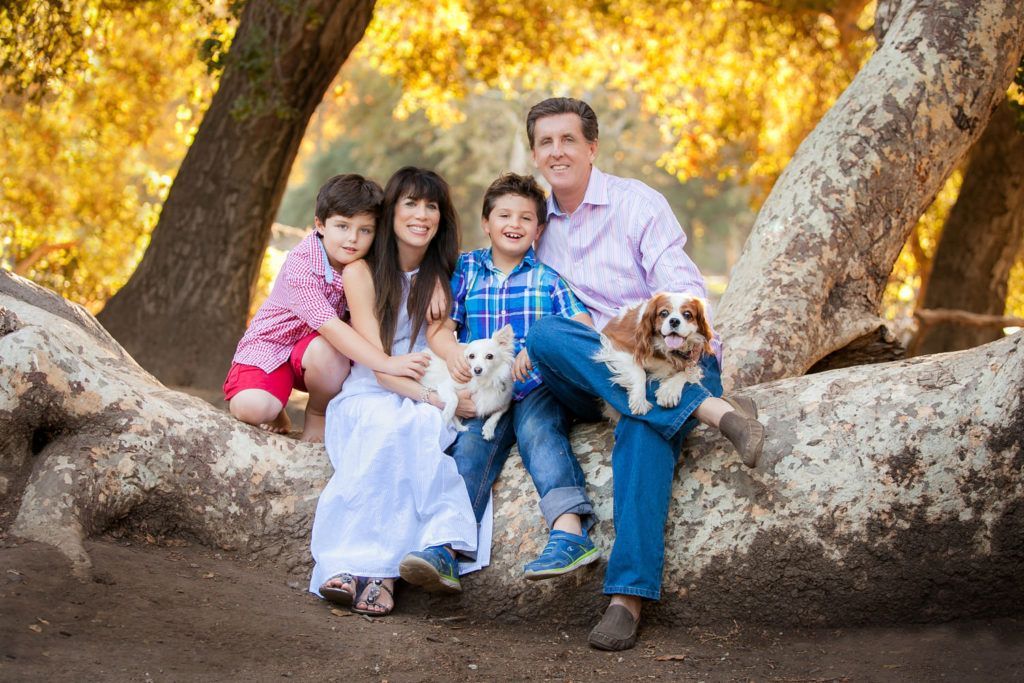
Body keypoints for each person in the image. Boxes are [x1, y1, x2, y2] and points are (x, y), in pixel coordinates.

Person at [521, 98, 766, 651]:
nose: (557, 151)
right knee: (546, 333)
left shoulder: (636, 204)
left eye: (568, 140)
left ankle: (626, 598)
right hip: (599, 367)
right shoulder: (533, 223)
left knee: (641, 422)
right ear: (535, 153)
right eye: (545, 142)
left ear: (592, 148)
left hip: (670, 355)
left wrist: (669, 346)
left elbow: (683, 287)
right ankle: (709, 411)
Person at [308, 167, 484, 616]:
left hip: (424, 386)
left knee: (418, 433)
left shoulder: (442, 276)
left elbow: (441, 340)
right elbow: (378, 363)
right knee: (387, 425)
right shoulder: (361, 272)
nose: (422, 215)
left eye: (432, 207)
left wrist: (451, 361)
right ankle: (347, 564)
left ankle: (383, 574)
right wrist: (436, 400)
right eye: (411, 204)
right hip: (372, 387)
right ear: (392, 212)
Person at [408, 172, 597, 589]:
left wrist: (542, 347)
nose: (514, 224)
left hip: (535, 389)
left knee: (539, 432)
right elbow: (439, 328)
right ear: (487, 222)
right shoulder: (467, 270)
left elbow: (582, 329)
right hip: (482, 392)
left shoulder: (548, 279)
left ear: (539, 229)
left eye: (526, 218)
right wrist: (453, 352)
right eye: (504, 215)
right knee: (471, 448)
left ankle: (569, 532)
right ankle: (446, 548)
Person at [222, 174, 429, 442]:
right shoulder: (302, 265)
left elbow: (413, 263)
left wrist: (434, 285)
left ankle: (318, 413)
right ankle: (275, 404)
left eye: (365, 230)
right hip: (270, 348)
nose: (352, 239)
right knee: (253, 408)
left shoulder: (368, 264)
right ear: (320, 224)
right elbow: (330, 326)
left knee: (329, 350)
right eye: (342, 226)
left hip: (319, 356)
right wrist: (387, 363)